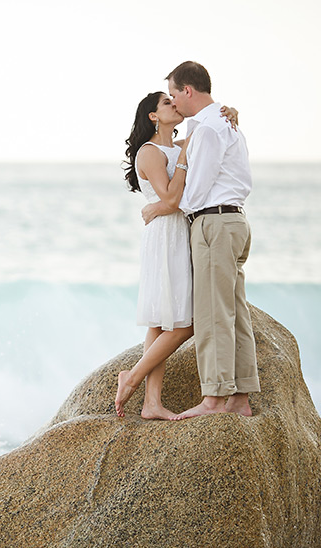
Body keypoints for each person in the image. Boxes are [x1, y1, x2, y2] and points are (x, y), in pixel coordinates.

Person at [115, 91, 238, 420]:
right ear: (153, 116)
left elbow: (212, 135)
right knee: (183, 322)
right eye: (166, 103)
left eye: (174, 100)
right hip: (165, 235)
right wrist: (183, 158)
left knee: (161, 319)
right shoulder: (151, 152)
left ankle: (150, 403)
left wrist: (231, 112)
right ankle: (133, 378)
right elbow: (170, 199)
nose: (174, 105)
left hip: (179, 231)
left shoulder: (182, 144)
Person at [163, 60, 259, 420]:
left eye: (174, 94)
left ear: (188, 90)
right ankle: (241, 396)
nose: (173, 102)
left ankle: (215, 398)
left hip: (213, 223)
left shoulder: (207, 130)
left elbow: (196, 190)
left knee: (212, 313)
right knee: (235, 311)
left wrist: (171, 205)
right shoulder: (227, 124)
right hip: (235, 221)